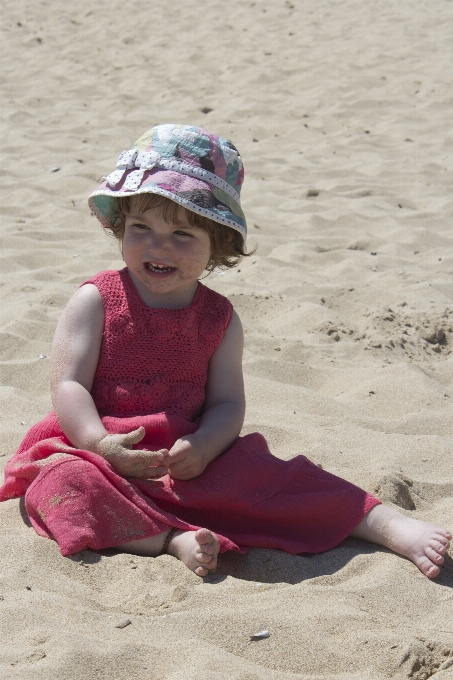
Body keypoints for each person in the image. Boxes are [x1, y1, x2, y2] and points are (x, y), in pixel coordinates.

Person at [1, 124, 450, 578]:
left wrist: (205, 444)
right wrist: (99, 443)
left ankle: (382, 523)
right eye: (141, 227)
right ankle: (169, 539)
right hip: (98, 450)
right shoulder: (96, 300)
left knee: (279, 478)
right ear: (119, 225)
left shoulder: (219, 318)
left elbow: (227, 402)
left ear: (218, 245)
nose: (158, 244)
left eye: (182, 234)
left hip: (188, 460)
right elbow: (68, 382)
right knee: (58, 486)